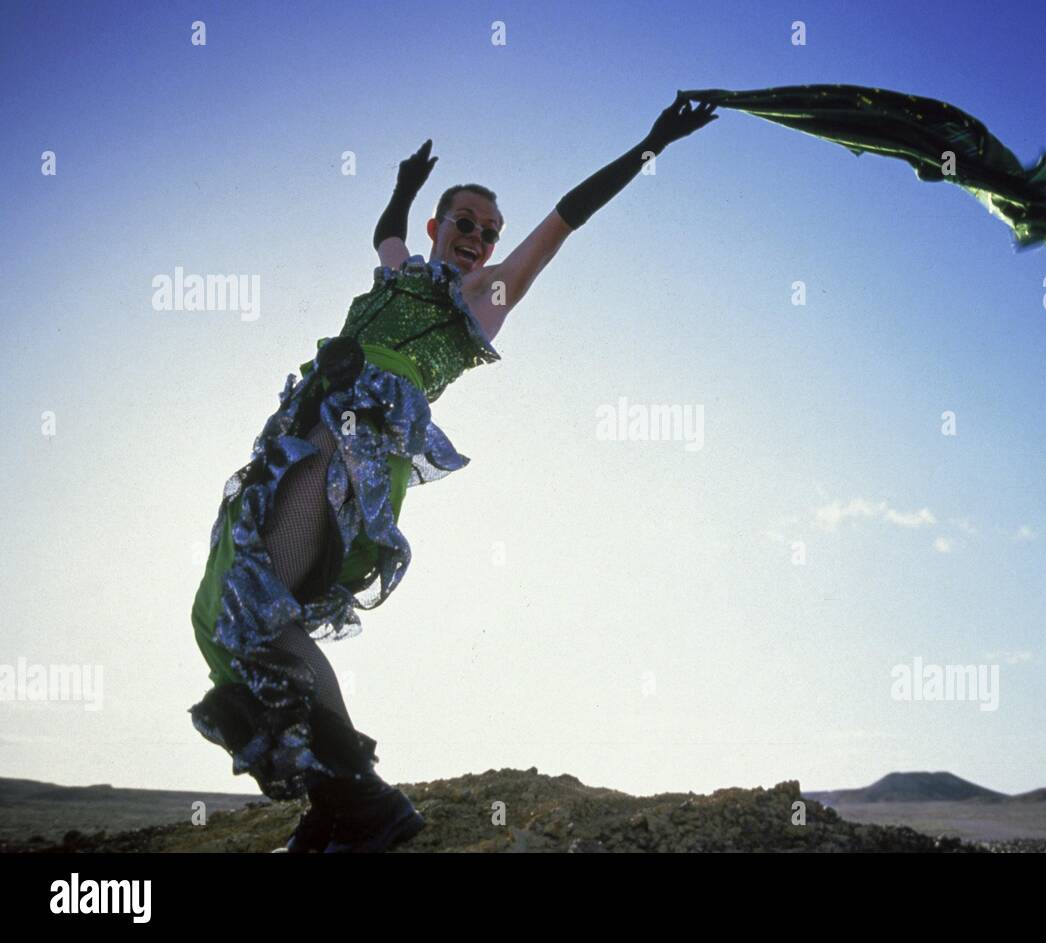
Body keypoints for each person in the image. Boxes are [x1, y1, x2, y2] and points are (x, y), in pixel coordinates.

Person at [187, 91, 718, 853]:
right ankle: (337, 806)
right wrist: (404, 184)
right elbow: (386, 235)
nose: (477, 238)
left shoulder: (486, 293)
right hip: (300, 433)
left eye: (489, 231)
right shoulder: (402, 273)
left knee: (265, 607)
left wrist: (650, 144)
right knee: (238, 605)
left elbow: (567, 216)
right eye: (464, 223)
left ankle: (363, 807)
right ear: (441, 228)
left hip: (357, 443)